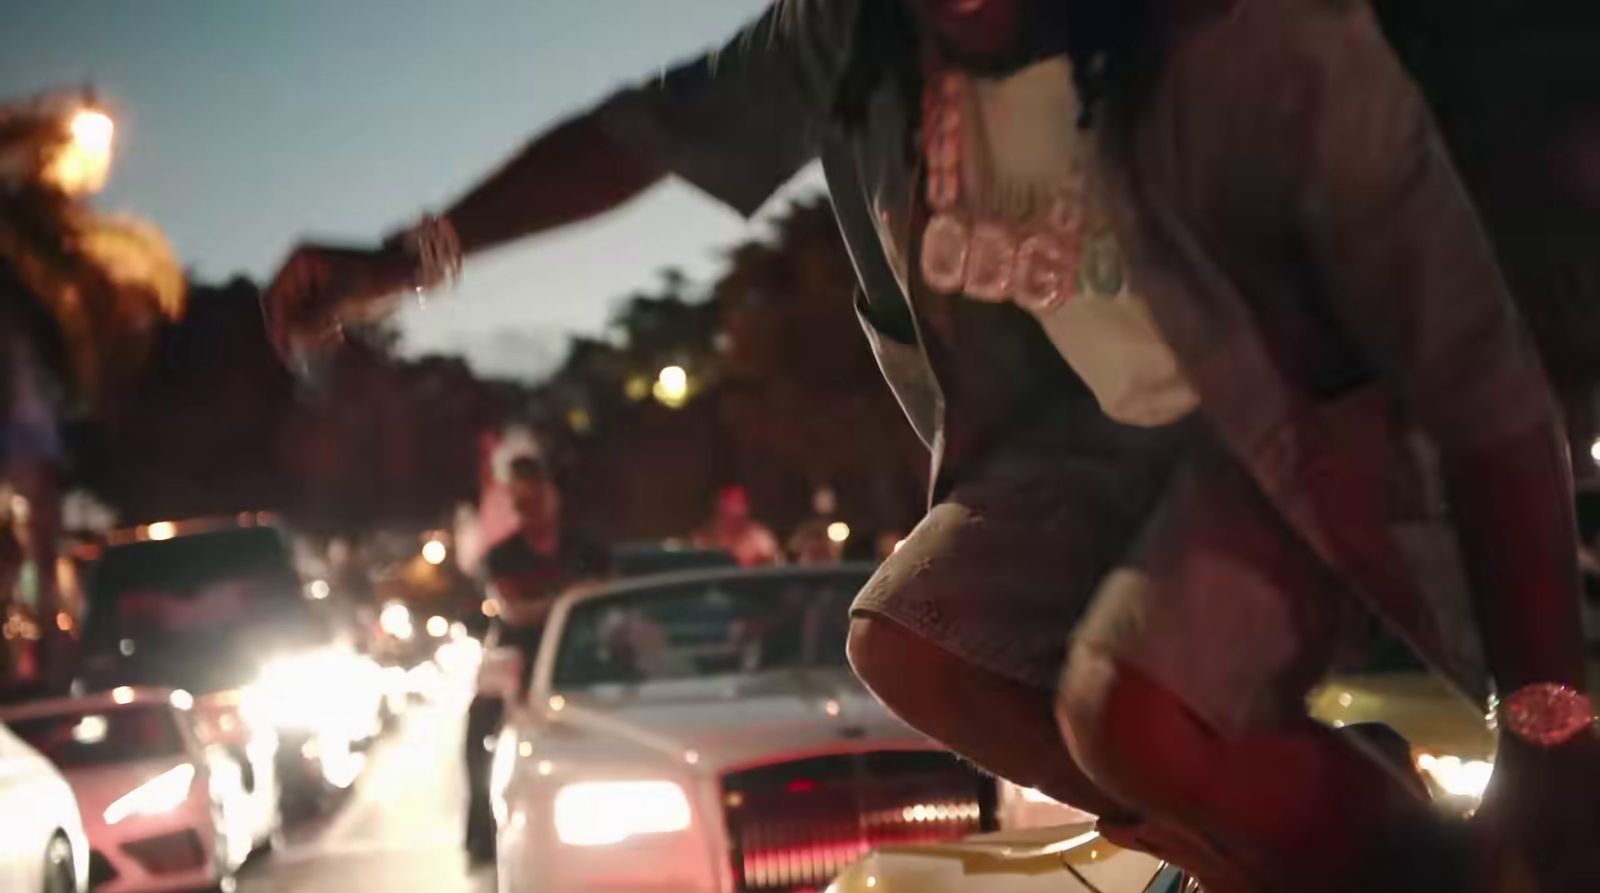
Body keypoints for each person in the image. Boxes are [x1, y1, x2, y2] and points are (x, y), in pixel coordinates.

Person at [263, 1, 1600, 887]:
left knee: (1126, 708)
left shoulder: (1256, 40)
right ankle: (1288, 827)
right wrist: (408, 255)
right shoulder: (847, 35)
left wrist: (1549, 724)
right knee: (914, 637)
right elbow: (639, 135)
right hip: (1093, 447)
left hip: (1311, 424)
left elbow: (1473, 374)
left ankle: (1429, 861)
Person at [463, 454, 610, 864]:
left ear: (554, 497)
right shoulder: (503, 556)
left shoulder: (587, 548)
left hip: (583, 658)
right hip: (520, 660)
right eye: (522, 504)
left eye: (537, 500)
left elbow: (607, 601)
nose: (532, 511)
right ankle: (481, 834)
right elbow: (514, 610)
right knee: (479, 734)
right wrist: (570, 601)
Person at [692, 484, 781, 567]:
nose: (736, 511)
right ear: (719, 508)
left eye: (740, 503)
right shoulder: (703, 539)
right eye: (731, 503)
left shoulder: (760, 538)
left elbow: (775, 567)